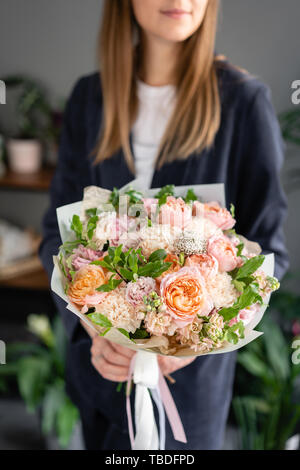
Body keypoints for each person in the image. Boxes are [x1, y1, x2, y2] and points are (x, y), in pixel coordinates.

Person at [39, 0, 289, 450]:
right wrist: (95, 330)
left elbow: (269, 248)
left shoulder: (242, 102)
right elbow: (56, 233)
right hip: (102, 377)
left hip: (191, 395)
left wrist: (195, 341)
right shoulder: (89, 99)